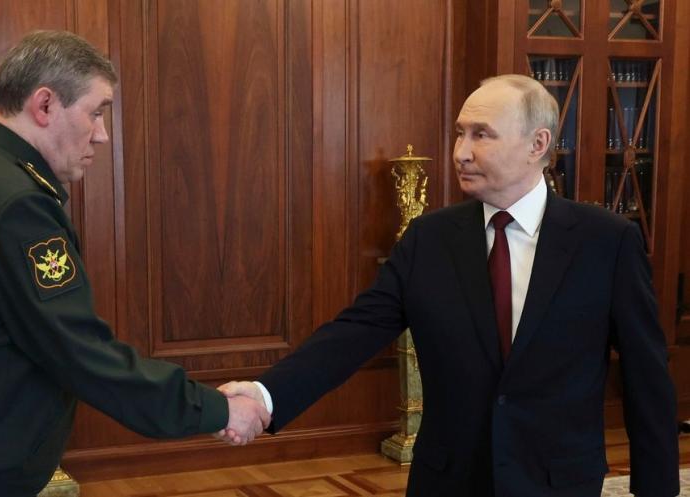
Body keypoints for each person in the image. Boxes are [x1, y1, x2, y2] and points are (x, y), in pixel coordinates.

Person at [218, 75, 679, 497]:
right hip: (448, 480)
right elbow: (353, 333)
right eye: (460, 133)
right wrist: (264, 396)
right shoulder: (429, 239)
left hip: (558, 482)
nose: (461, 152)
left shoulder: (606, 242)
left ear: (537, 144)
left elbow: (646, 376)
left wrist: (656, 489)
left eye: (482, 135)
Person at [0, 30, 269, 497]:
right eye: (96, 112)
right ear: (44, 105)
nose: (102, 134)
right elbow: (81, 353)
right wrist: (217, 409)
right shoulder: (15, 203)